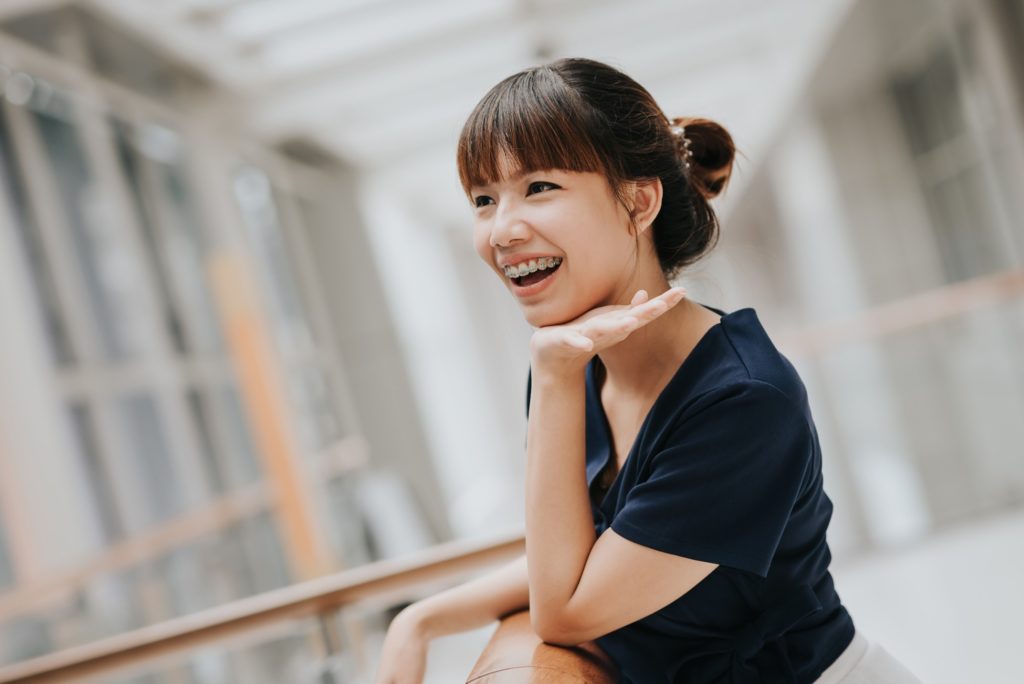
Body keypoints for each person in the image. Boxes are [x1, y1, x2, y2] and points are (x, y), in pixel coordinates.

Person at [374, 57, 922, 683]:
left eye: (539, 188)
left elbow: (567, 611)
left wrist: (551, 380)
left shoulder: (743, 400)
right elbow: (585, 555)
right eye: (482, 199)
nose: (502, 230)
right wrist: (418, 620)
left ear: (638, 202)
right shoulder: (576, 368)